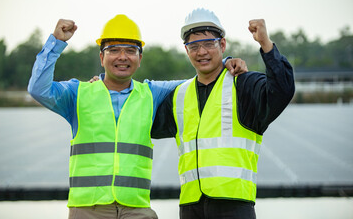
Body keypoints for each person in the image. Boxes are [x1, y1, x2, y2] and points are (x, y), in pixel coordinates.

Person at [28, 14, 248, 219]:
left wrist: (225, 62)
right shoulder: (78, 94)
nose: (123, 57)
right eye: (114, 50)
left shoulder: (151, 94)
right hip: (88, 210)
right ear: (101, 57)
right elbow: (38, 88)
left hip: (136, 209)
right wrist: (56, 42)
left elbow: (201, 78)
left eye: (131, 51)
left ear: (140, 58)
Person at [151, 8, 295, 219]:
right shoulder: (178, 96)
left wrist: (266, 44)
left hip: (234, 207)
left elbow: (282, 90)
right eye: (194, 46)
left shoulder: (244, 85)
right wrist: (103, 85)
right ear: (186, 50)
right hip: (191, 208)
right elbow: (141, 118)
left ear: (223, 44)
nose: (202, 52)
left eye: (209, 44)